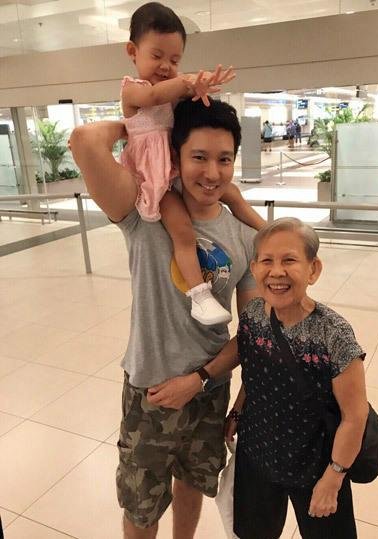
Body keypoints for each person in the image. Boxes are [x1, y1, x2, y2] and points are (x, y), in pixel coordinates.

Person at [70, 98, 260, 539]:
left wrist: (202, 380)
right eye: (199, 157)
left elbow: (253, 331)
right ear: (176, 155)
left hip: (210, 391)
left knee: (193, 483)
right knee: (142, 507)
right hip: (150, 391)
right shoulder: (143, 213)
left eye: (224, 159)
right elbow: (84, 140)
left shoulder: (244, 236)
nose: (212, 172)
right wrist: (146, 124)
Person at [120, 2, 263, 326]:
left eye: (174, 60)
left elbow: (194, 112)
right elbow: (154, 97)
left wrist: (198, 88)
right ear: (132, 51)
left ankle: (270, 231)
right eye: (157, 56)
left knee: (233, 194)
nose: (165, 66)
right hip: (155, 181)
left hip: (174, 170)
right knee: (183, 231)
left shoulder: (174, 95)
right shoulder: (133, 90)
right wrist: (188, 82)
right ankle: (200, 295)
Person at [226, 217, 369, 539]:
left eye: (289, 260)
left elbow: (355, 416)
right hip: (257, 453)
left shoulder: (333, 334)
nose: (276, 272)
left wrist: (334, 478)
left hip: (315, 462)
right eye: (267, 261)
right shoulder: (252, 315)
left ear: (313, 269)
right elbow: (256, 372)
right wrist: (237, 411)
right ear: (254, 268)